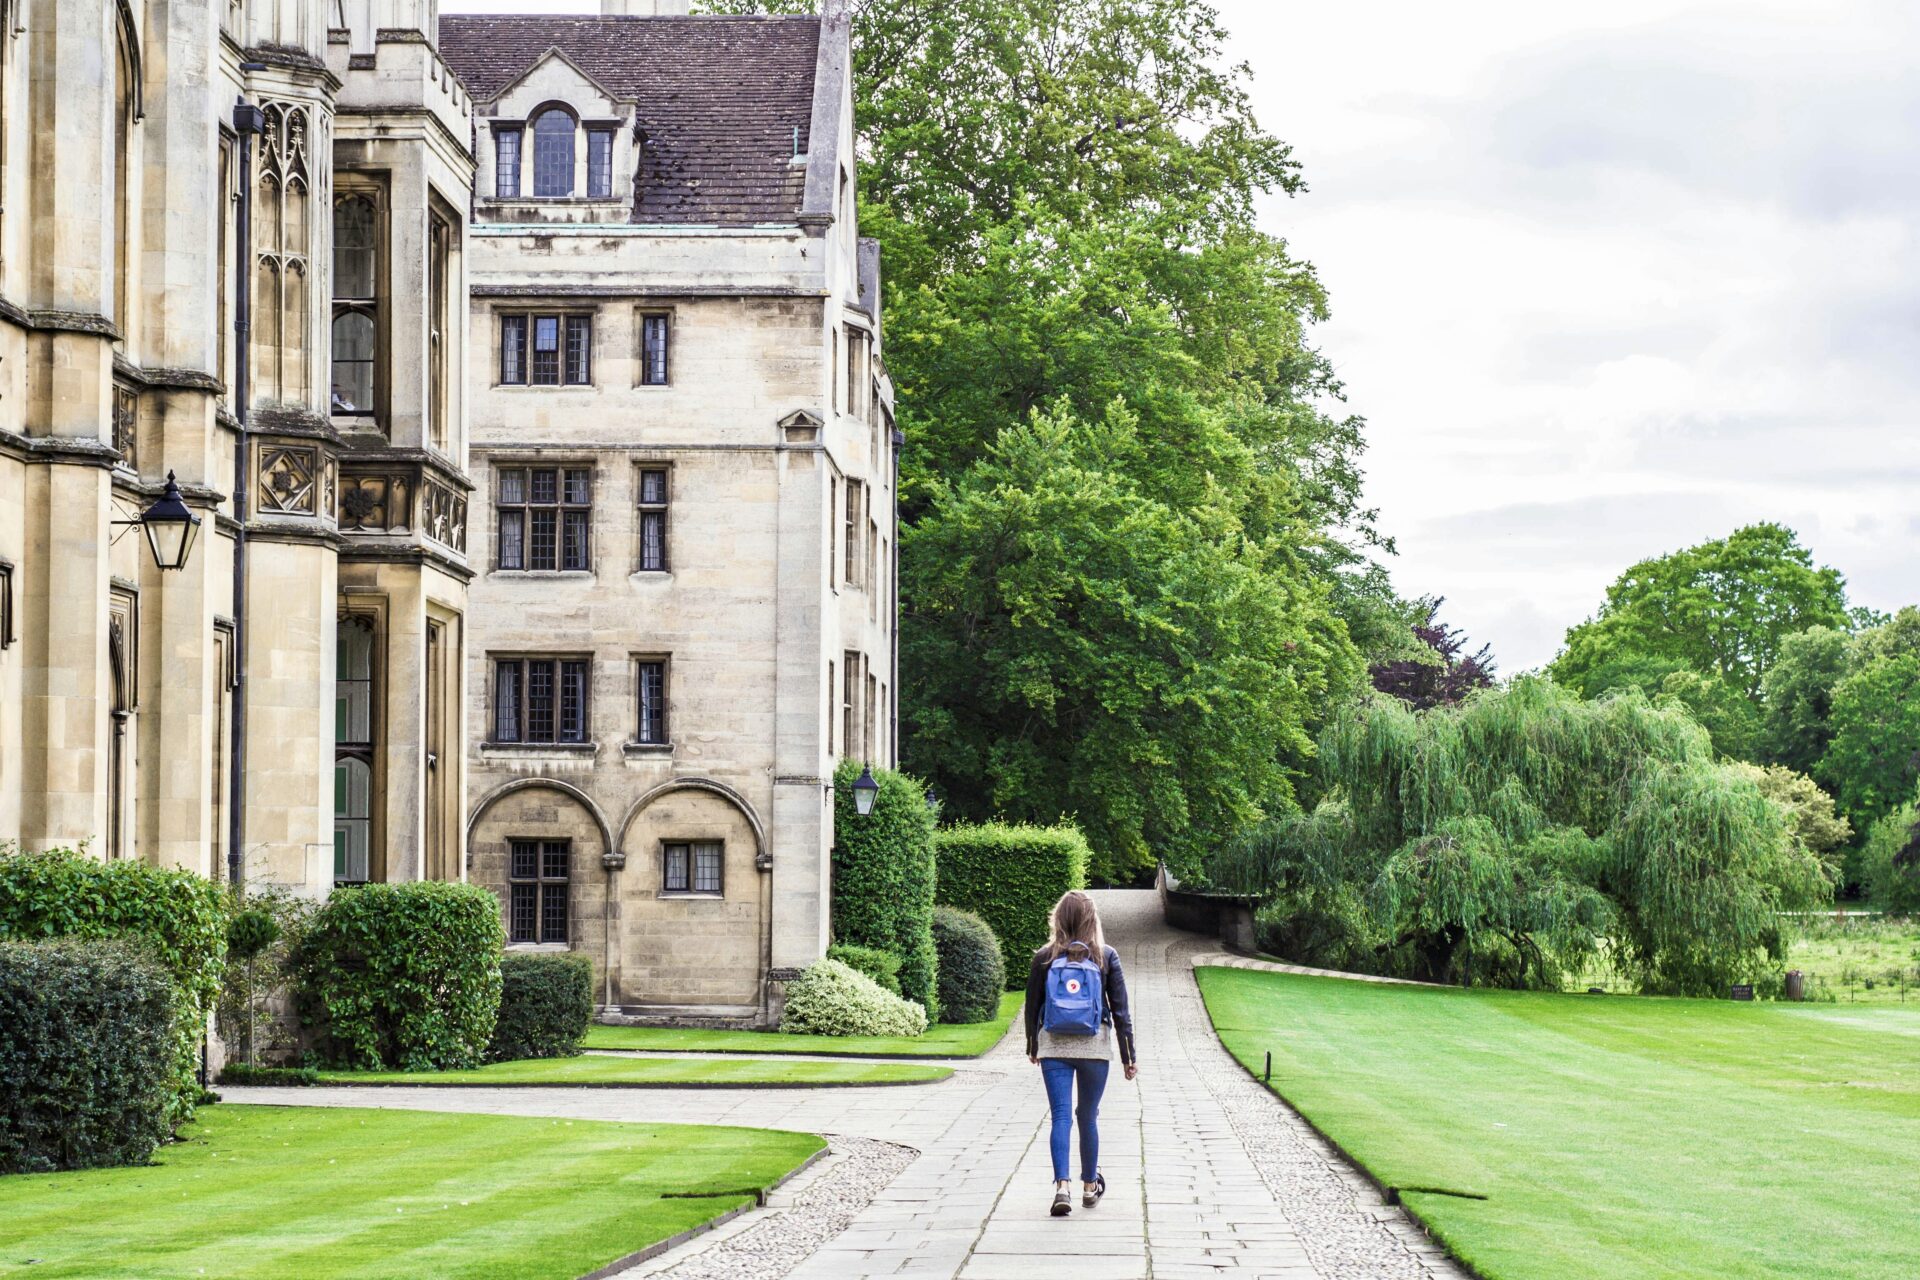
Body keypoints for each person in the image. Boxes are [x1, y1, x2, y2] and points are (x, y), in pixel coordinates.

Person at [1025, 889, 1137, 1217]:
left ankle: (1063, 1186)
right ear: (1092, 918)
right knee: (1087, 1116)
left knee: (1060, 1115)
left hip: (1054, 1046)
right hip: (1095, 1048)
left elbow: (1032, 1007)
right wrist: (1129, 1057)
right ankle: (1090, 1186)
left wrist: (1034, 1046)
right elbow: (1121, 1012)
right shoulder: (1105, 956)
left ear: (1058, 918)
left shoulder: (1045, 956)